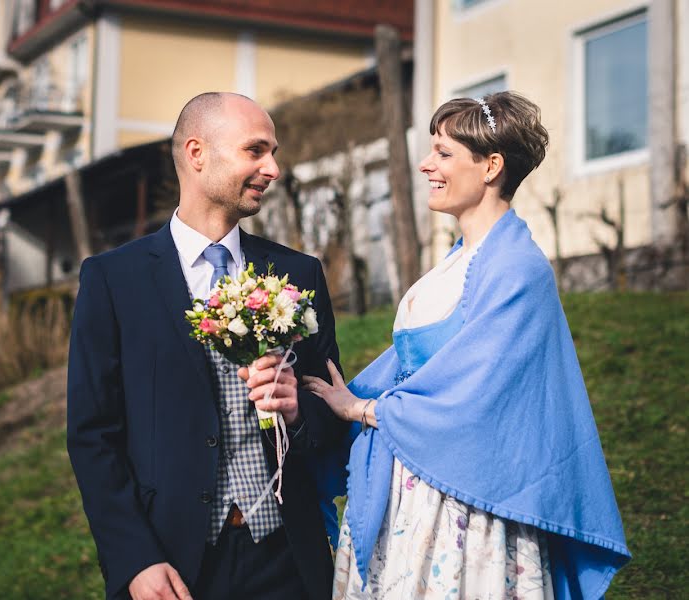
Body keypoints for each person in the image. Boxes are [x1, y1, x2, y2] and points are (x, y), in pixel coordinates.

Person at [303, 92, 630, 599]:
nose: (425, 164)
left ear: (491, 166)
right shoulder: (460, 260)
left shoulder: (517, 270)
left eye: (443, 153)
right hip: (412, 486)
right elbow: (418, 365)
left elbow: (477, 396)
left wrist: (363, 410)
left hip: (467, 500)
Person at [67, 92, 348, 600]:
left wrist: (298, 410)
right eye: (256, 150)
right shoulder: (113, 280)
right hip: (173, 565)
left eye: (273, 153)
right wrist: (136, 560)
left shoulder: (298, 274)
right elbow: (93, 438)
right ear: (198, 154)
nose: (274, 169)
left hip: (287, 559)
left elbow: (331, 417)